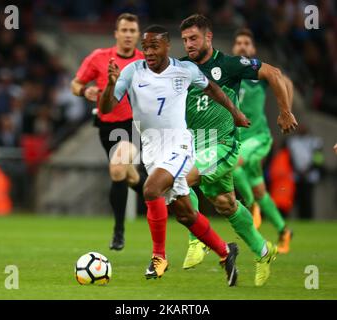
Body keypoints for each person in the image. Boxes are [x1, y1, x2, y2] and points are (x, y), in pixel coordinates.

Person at [99, 25, 251, 286]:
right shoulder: (131, 72)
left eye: (154, 47)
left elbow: (213, 88)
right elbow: (106, 108)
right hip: (152, 150)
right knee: (185, 214)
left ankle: (159, 257)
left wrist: (234, 113)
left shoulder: (185, 70)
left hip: (179, 146)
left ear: (167, 47)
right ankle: (226, 252)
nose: (148, 52)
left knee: (151, 189)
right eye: (145, 47)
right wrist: (111, 84)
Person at [179, 14, 298, 286]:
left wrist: (284, 111)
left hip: (223, 144)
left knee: (180, 179)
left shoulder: (229, 65)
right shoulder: (181, 67)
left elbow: (273, 72)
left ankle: (197, 239)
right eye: (185, 39)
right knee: (226, 204)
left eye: (194, 38)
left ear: (208, 37)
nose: (188, 44)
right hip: (197, 145)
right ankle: (264, 251)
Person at [71, 13, 146, 250]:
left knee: (116, 168)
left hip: (134, 125)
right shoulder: (99, 58)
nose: (128, 35)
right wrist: (85, 92)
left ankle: (118, 233)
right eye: (124, 30)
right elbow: (75, 84)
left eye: (132, 31)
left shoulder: (145, 62)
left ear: (137, 35)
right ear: (116, 33)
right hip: (106, 126)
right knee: (127, 175)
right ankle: (164, 199)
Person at [231, 28, 293, 253]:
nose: (242, 46)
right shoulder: (231, 73)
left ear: (253, 48)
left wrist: (287, 111)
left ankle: (252, 207)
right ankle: (284, 230)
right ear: (233, 48)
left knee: (234, 165)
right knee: (259, 188)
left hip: (258, 137)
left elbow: (286, 82)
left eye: (247, 42)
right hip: (240, 139)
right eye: (238, 43)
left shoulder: (259, 72)